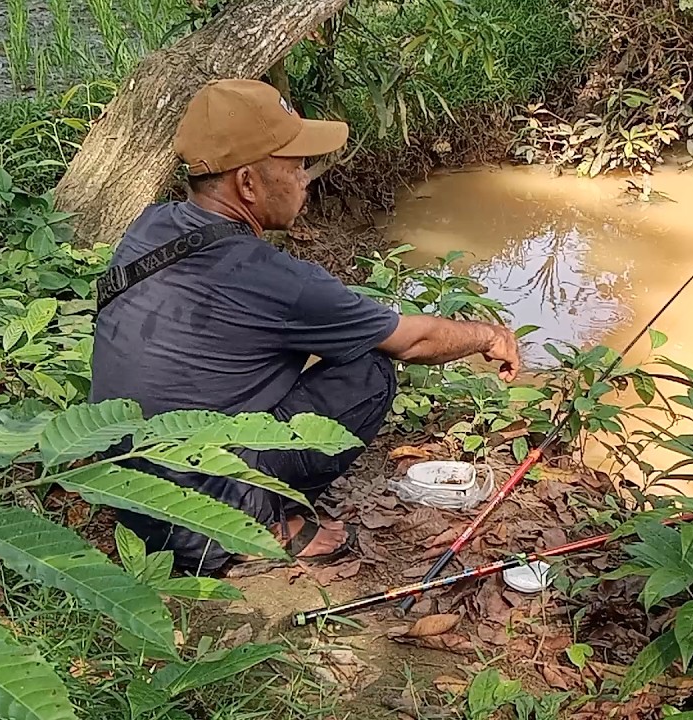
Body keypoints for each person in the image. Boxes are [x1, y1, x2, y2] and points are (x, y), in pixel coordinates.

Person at [88, 78, 521, 575]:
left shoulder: (151, 225)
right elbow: (413, 339)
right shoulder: (273, 279)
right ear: (247, 183)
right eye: (294, 165)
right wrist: (490, 336)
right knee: (370, 368)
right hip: (197, 524)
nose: (305, 177)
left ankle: (236, 505)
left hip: (125, 490)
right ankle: (258, 527)